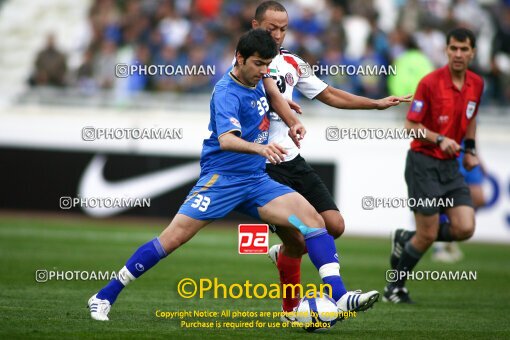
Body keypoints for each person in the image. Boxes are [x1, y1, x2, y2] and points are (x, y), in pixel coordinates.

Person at [87, 29, 373, 321]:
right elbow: (227, 140)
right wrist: (261, 149)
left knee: (313, 221)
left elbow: (274, 96)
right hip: (221, 181)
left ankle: (339, 296)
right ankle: (104, 295)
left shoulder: (261, 76)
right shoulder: (226, 92)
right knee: (170, 240)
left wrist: (291, 119)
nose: (264, 71)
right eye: (259, 64)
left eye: (267, 65)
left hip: (256, 182)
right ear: (240, 58)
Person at [250, 1, 411, 315]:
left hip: (292, 160)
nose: (279, 34)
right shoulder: (246, 61)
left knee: (334, 224)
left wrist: (375, 104)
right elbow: (269, 93)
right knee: (301, 240)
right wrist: (292, 118)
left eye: (283, 29)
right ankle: (305, 305)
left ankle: (283, 253)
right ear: (256, 26)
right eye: (272, 28)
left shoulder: (293, 63)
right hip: (263, 167)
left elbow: (330, 94)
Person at [385, 28, 483, 303]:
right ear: (446, 50)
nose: (458, 54)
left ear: (473, 52)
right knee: (427, 235)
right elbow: (410, 127)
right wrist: (439, 139)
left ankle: (406, 238)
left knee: (465, 228)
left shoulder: (477, 83)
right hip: (423, 163)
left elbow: (472, 115)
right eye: (453, 48)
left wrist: (471, 149)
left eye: (464, 49)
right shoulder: (429, 83)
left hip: (451, 166)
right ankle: (395, 287)